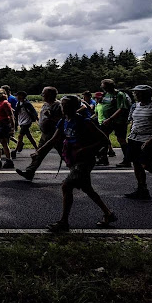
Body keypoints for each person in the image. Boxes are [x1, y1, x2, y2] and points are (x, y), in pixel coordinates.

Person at [40, 95, 116, 233]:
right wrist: (39, 152)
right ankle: (108, 214)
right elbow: (53, 139)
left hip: (84, 160)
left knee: (66, 186)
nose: (64, 108)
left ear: (75, 107)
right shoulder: (63, 121)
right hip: (73, 158)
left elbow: (104, 140)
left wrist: (85, 149)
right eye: (63, 105)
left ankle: (64, 222)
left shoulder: (84, 122)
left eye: (66, 105)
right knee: (87, 188)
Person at [17, 86, 61, 180]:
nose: (42, 95)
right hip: (45, 133)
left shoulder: (58, 105)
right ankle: (29, 172)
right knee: (39, 153)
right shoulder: (45, 104)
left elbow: (61, 120)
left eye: (44, 94)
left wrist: (50, 118)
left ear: (50, 95)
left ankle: (76, 171)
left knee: (63, 154)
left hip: (54, 133)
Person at [96, 79, 131, 167]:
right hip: (106, 121)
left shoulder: (119, 94)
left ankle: (127, 160)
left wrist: (110, 118)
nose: (101, 87)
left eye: (103, 85)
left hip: (118, 121)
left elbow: (122, 108)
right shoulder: (105, 94)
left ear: (108, 86)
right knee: (103, 138)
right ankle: (103, 159)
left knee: (121, 139)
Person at [12, 91, 38, 159]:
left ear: (21, 96)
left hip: (27, 121)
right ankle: (37, 148)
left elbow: (33, 112)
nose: (16, 97)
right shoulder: (18, 103)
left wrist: (36, 118)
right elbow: (17, 113)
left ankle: (15, 150)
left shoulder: (27, 104)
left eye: (17, 95)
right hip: (22, 121)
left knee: (20, 136)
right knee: (29, 136)